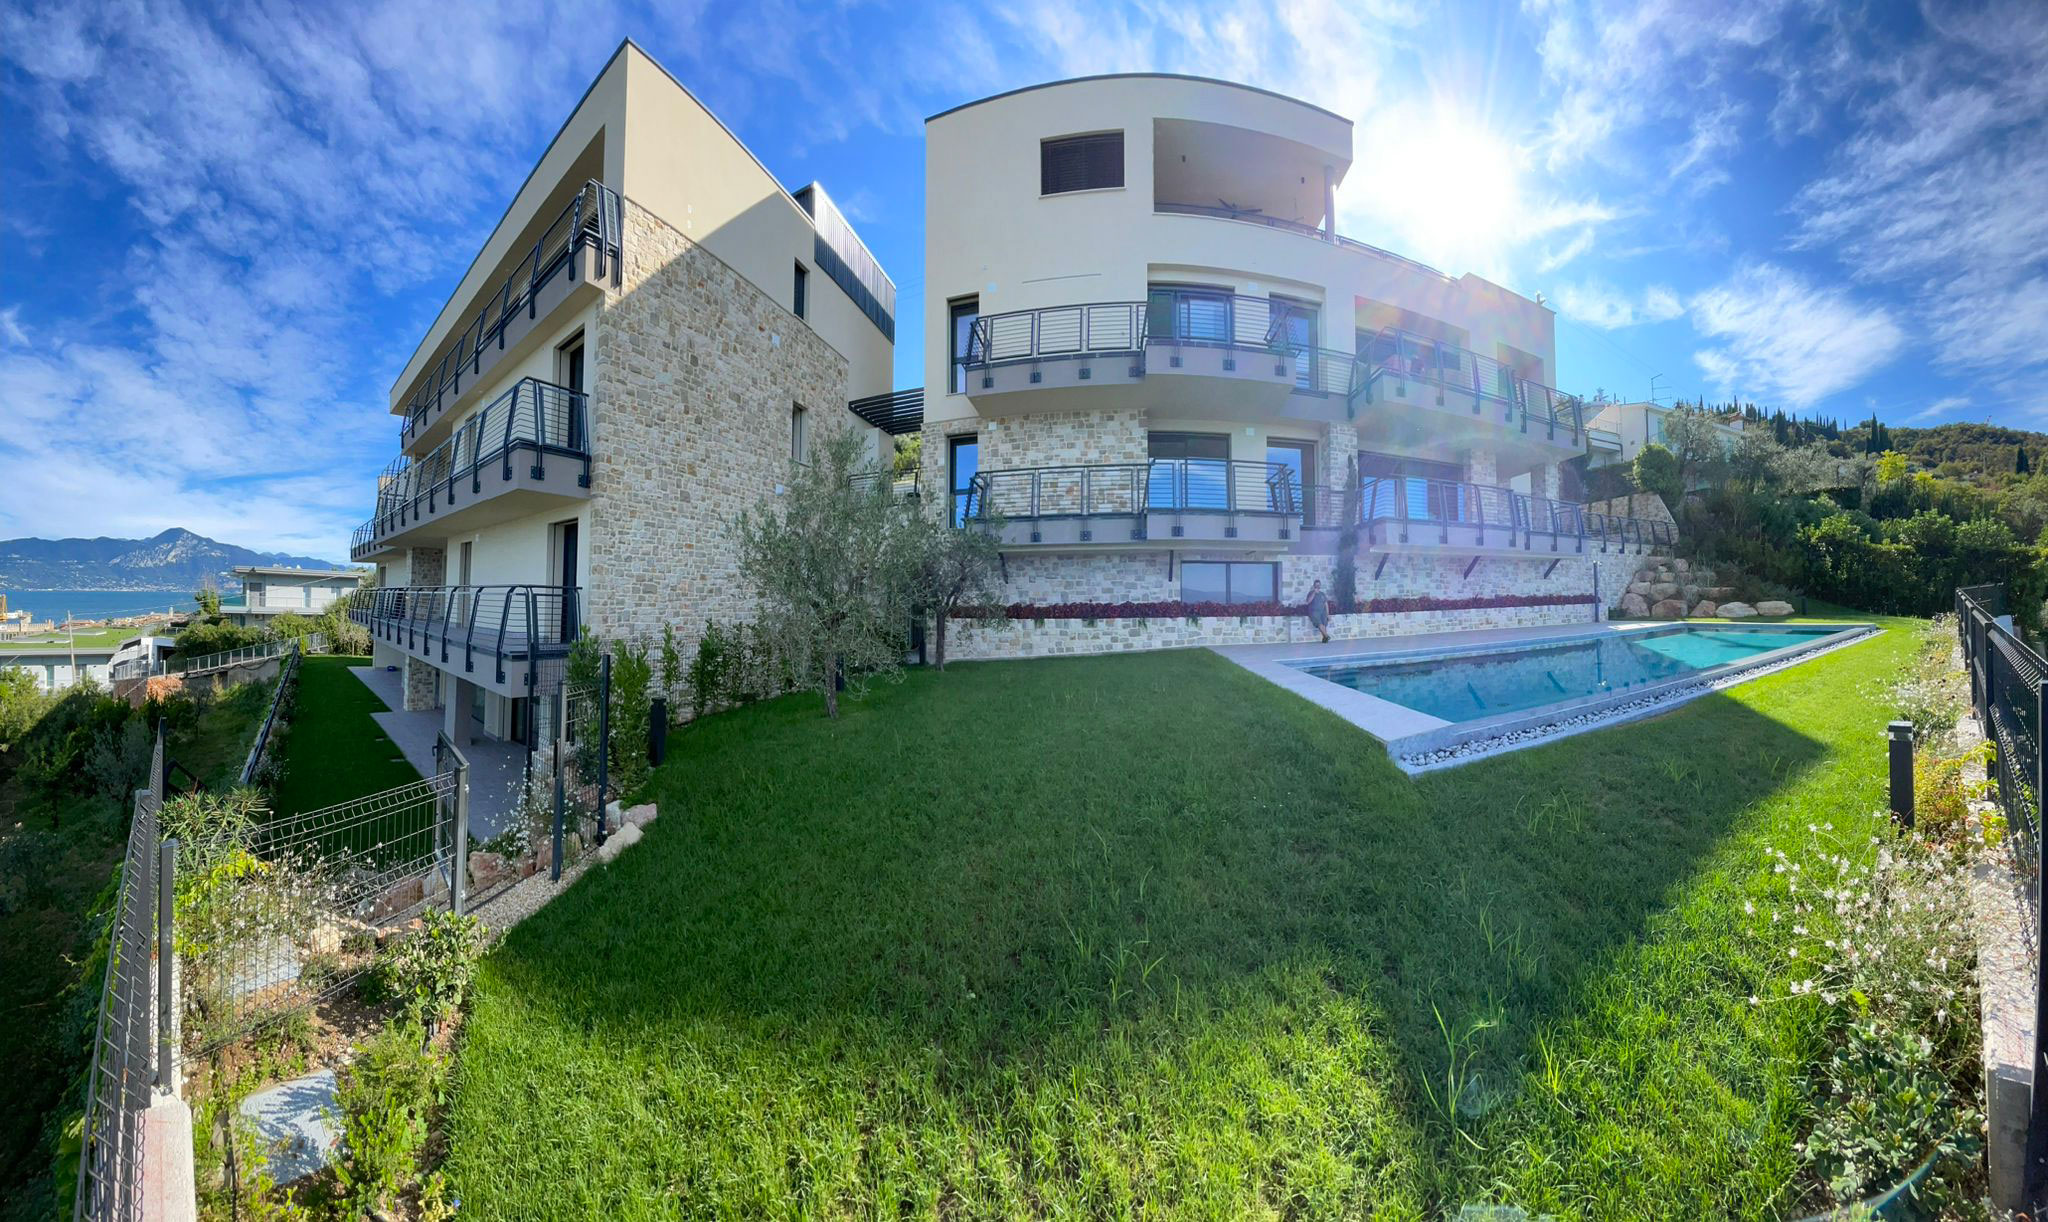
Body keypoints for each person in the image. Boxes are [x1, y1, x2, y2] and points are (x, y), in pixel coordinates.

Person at [1306, 579, 1331, 643]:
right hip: (1314, 612)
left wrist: (1327, 614)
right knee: (1319, 623)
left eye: (1319, 585)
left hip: (1322, 612)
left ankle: (1325, 638)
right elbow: (1308, 601)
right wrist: (1314, 593)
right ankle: (1326, 635)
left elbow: (1326, 604)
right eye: (1316, 585)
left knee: (1324, 624)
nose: (1317, 586)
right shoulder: (1310, 593)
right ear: (1314, 586)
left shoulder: (1322, 594)